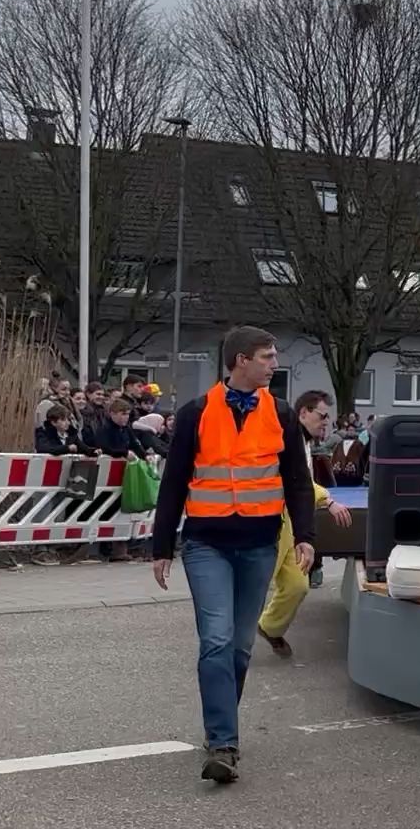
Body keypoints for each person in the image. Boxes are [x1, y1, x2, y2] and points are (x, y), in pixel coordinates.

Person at [150, 326, 322, 784]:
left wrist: (305, 536)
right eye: (267, 357)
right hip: (206, 544)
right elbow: (174, 483)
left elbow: (298, 482)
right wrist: (161, 546)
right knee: (217, 641)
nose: (274, 364)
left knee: (241, 648)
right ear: (241, 360)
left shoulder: (281, 413)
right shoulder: (196, 413)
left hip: (260, 545)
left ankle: (221, 725)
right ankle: (224, 743)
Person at [256, 390, 352, 656]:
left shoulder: (304, 442)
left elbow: (302, 484)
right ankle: (228, 643)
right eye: (322, 416)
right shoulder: (285, 440)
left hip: (290, 524)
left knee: (297, 586)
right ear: (303, 413)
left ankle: (270, 628)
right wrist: (327, 500)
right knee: (254, 587)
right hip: (272, 522)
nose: (326, 422)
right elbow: (295, 481)